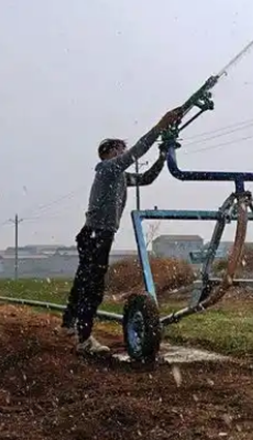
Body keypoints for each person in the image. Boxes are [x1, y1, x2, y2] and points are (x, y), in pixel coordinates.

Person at [58, 106, 184, 356]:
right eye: (120, 150)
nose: (124, 154)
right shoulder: (107, 169)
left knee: (83, 281)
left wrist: (162, 156)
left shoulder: (119, 177)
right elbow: (137, 151)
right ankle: (84, 339)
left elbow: (146, 179)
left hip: (94, 234)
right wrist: (160, 126)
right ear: (109, 153)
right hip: (96, 234)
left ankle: (68, 324)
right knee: (93, 288)